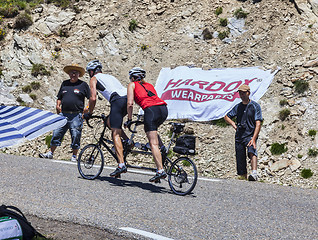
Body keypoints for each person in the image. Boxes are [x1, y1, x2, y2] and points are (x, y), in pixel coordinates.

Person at [84, 60, 129, 178]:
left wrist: (90, 112)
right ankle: (128, 141)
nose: (89, 74)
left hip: (117, 100)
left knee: (115, 134)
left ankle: (121, 164)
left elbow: (93, 98)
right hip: (127, 99)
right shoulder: (109, 76)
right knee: (110, 122)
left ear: (92, 71)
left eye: (89, 72)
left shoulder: (93, 79)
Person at [39, 64, 90, 161]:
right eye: (71, 72)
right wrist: (58, 105)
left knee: (75, 135)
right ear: (69, 73)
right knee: (57, 132)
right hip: (63, 114)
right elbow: (60, 97)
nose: (73, 74)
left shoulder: (83, 85)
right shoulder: (65, 84)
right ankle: (50, 152)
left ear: (79, 74)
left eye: (75, 73)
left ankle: (74, 156)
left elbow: (90, 97)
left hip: (76, 114)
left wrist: (87, 108)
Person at [125, 67, 168, 182]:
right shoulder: (149, 85)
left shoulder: (132, 85)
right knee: (152, 130)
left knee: (153, 142)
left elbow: (130, 103)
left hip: (151, 110)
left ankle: (160, 170)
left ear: (133, 78)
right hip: (163, 109)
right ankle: (162, 148)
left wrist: (129, 119)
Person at [224, 84, 262, 181]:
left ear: (248, 93)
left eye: (243, 93)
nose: (241, 95)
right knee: (240, 157)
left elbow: (258, 123)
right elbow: (226, 116)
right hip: (240, 135)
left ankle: (254, 173)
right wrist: (233, 124)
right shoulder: (238, 107)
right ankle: (243, 178)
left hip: (250, 133)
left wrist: (254, 138)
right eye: (240, 93)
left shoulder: (255, 106)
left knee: (251, 150)